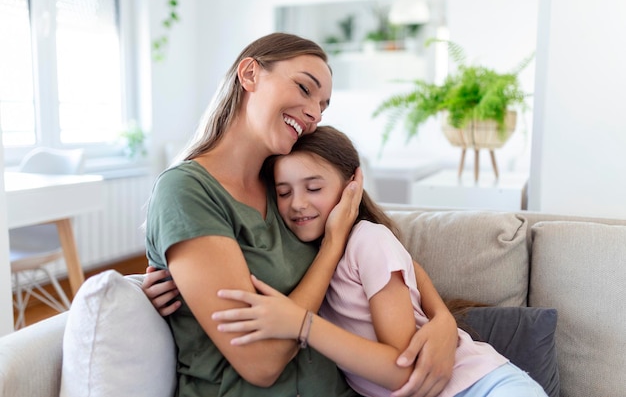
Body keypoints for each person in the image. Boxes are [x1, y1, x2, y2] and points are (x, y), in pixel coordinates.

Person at [142, 32, 458, 397]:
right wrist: (331, 247)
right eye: (305, 89)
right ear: (250, 75)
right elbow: (260, 363)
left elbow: (380, 246)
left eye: (324, 105)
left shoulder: (284, 186)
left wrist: (443, 319)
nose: (314, 114)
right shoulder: (187, 190)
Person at [211, 125, 549, 397]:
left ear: (351, 187)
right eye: (284, 193)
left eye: (313, 188)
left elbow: (402, 367)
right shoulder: (305, 258)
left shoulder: (367, 240)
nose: (297, 204)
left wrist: (303, 325)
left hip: (483, 386)